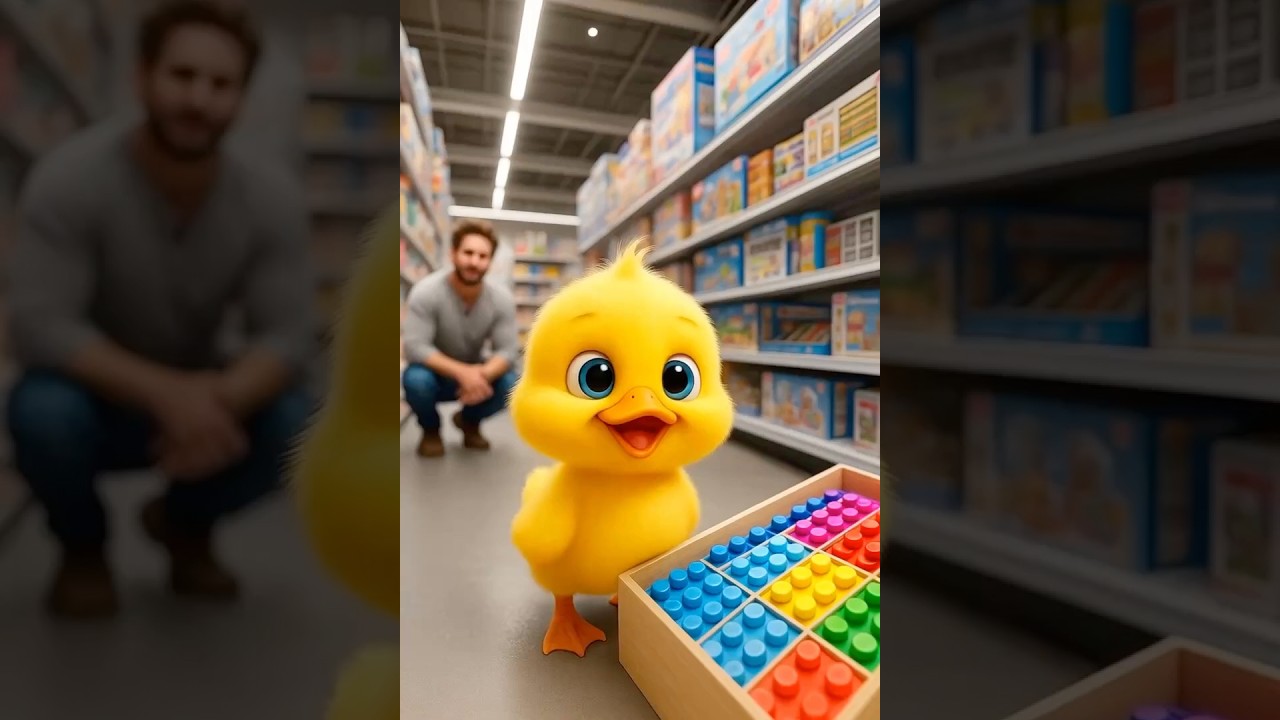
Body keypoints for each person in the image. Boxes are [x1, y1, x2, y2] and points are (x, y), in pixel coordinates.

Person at [5, 1, 313, 619]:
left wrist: (216, 399)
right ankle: (82, 547)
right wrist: (171, 395)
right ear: (142, 77)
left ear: (241, 98)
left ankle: (182, 525)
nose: (199, 99)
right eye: (182, 76)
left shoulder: (270, 198)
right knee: (39, 411)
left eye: (220, 84)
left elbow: (288, 334)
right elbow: (40, 324)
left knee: (299, 422)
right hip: (93, 397)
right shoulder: (70, 180)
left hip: (206, 398)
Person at [401, 220, 520, 457]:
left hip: (477, 375)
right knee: (415, 379)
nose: (474, 261)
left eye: (483, 256)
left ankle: (469, 422)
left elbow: (507, 351)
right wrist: (462, 372)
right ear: (453, 254)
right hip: (435, 374)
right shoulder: (426, 292)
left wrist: (480, 375)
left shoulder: (501, 299)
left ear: (490, 261)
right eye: (468, 253)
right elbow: (415, 347)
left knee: (512, 383)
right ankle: (431, 430)